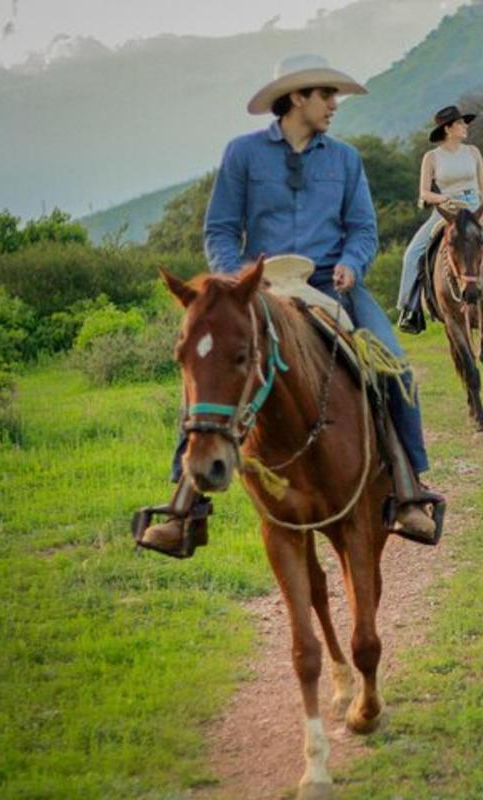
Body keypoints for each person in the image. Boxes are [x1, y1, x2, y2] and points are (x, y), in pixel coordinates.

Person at [137, 54, 440, 555]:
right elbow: (220, 229)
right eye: (326, 95)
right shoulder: (243, 154)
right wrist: (238, 281)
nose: (334, 105)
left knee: (397, 370)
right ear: (297, 97)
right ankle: (185, 506)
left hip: (331, 282)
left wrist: (352, 263)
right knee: (210, 375)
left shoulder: (344, 159)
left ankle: (409, 491)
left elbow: (363, 228)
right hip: (259, 287)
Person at [397, 105, 483, 333]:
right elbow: (424, 193)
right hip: (446, 211)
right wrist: (444, 199)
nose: (465, 126)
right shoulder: (431, 157)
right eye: (461, 123)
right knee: (412, 255)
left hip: (474, 209)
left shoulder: (473, 152)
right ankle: (410, 310)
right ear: (448, 128)